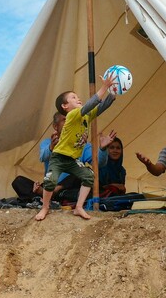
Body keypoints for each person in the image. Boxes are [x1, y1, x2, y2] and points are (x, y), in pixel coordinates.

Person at [35, 74, 116, 221]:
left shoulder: (85, 116)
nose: (78, 98)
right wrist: (104, 87)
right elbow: (92, 104)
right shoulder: (72, 115)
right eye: (73, 97)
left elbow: (100, 107)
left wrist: (113, 93)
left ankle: (79, 207)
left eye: (77, 96)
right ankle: (45, 207)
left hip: (72, 160)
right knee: (51, 180)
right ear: (65, 107)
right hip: (59, 158)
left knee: (89, 176)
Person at [37, 112, 114, 201]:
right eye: (65, 119)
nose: (70, 121)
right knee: (19, 181)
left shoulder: (83, 145)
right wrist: (51, 147)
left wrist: (102, 149)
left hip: (70, 186)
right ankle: (49, 193)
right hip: (51, 183)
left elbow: (98, 163)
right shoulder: (48, 142)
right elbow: (42, 157)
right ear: (55, 126)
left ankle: (54, 193)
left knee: (83, 173)